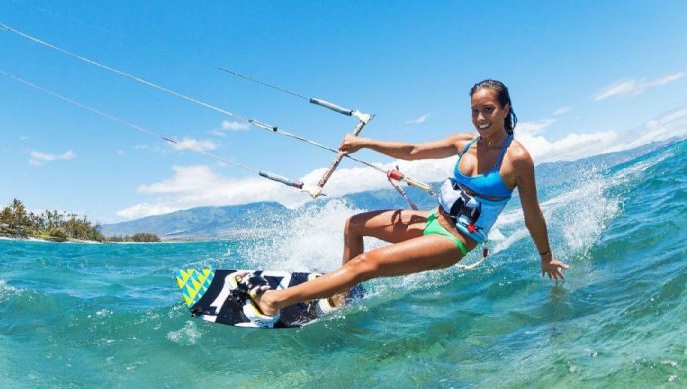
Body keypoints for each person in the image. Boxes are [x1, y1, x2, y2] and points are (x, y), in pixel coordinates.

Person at [232, 79, 570, 326]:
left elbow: (532, 214)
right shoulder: (465, 142)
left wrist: (546, 256)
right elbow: (412, 151)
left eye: (488, 110)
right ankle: (344, 294)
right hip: (432, 219)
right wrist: (363, 143)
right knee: (355, 225)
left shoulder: (517, 159)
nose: (481, 118)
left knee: (366, 265)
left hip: (454, 240)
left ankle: (272, 300)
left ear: (505, 109)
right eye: (475, 111)